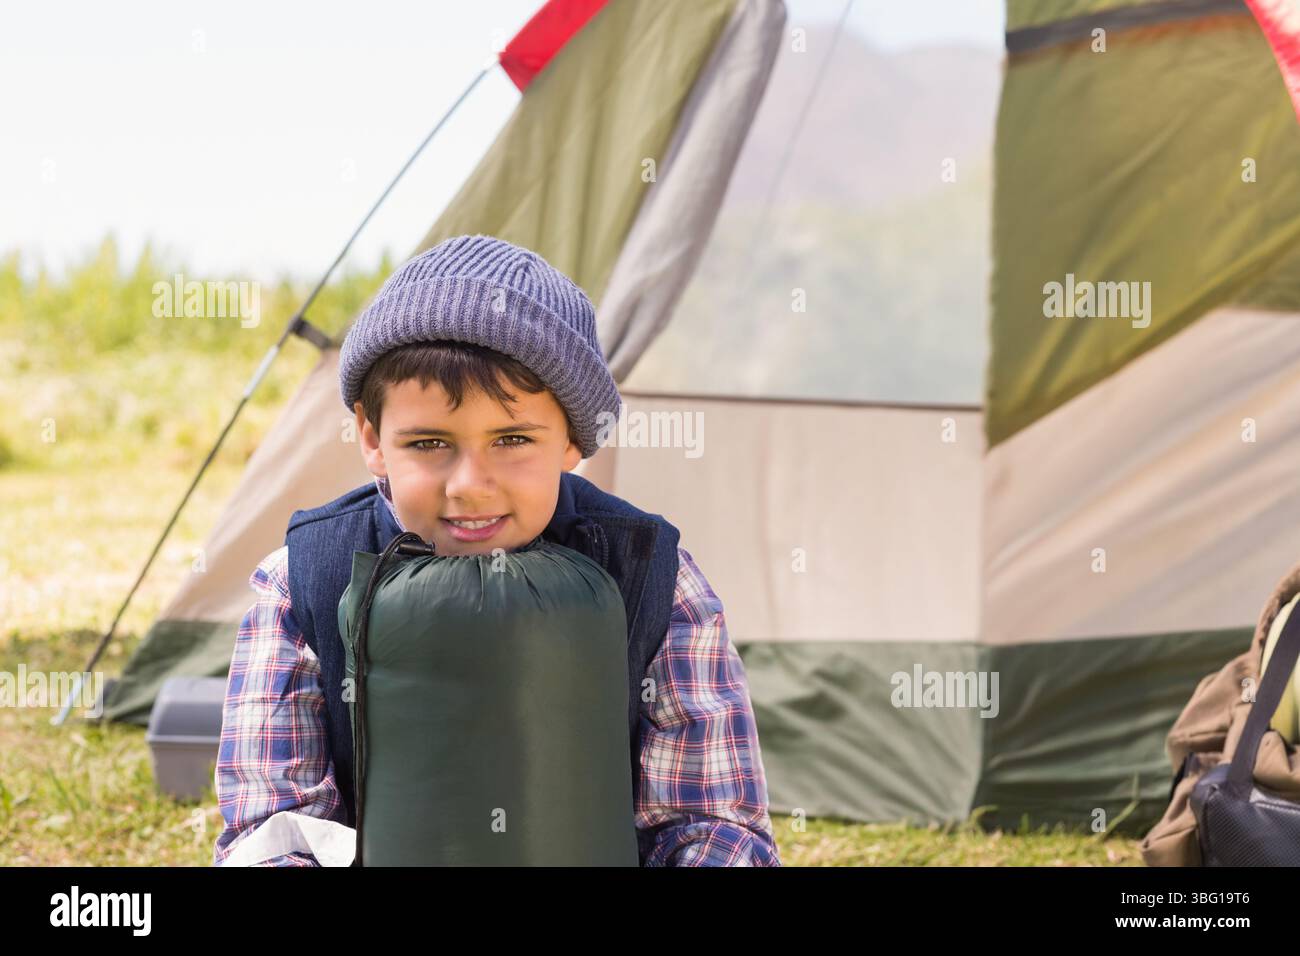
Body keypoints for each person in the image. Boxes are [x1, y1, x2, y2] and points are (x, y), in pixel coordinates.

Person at [212, 234, 780, 866]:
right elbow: (272, 833)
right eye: (429, 443)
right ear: (373, 440)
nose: (469, 486)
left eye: (512, 439)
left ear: (572, 439)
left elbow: (713, 823)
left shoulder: (653, 576)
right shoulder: (303, 581)